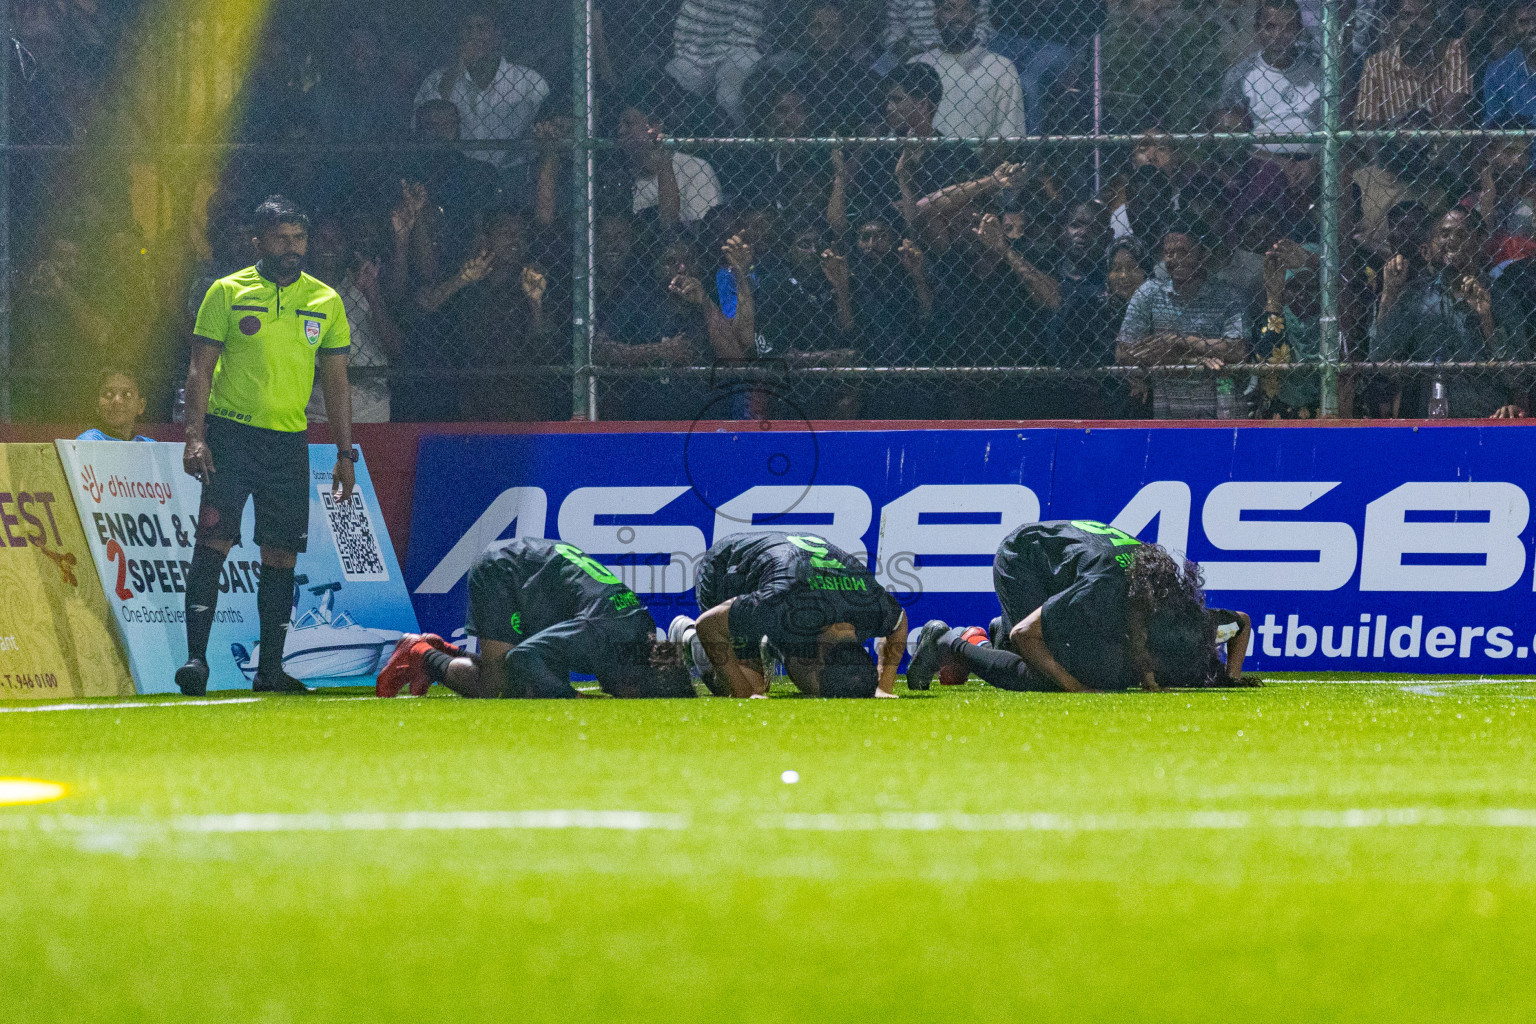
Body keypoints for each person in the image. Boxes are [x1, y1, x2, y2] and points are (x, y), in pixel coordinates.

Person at [175, 196, 355, 696]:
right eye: (280, 238)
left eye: (299, 238)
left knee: (281, 554)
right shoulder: (226, 292)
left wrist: (345, 454)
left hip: (288, 443)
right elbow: (199, 370)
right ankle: (196, 661)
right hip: (230, 437)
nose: (292, 247)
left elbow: (337, 382)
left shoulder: (326, 300)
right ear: (257, 241)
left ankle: (270, 671)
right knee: (214, 542)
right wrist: (195, 436)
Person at [905, 520, 1221, 693]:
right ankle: (946, 642)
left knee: (1103, 664)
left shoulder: (1164, 592)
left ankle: (991, 639)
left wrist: (1148, 677)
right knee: (1043, 676)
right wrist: (1075, 686)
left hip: (1067, 565)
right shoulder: (1104, 588)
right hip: (1024, 558)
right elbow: (1024, 633)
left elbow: (1237, 620)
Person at [377, 537, 693, 699]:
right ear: (635, 676)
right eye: (635, 693)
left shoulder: (640, 631)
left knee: (536, 684)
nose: (622, 696)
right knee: (498, 688)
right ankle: (421, 653)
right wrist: (571, 697)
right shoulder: (600, 634)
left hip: (543, 583)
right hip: (507, 571)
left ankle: (448, 650)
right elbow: (523, 657)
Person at [671, 532, 909, 698]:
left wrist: (883, 686)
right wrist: (743, 693)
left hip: (795, 593)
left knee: (820, 683)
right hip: (727, 570)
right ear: (818, 657)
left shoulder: (871, 608)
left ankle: (772, 643)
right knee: (749, 686)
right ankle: (688, 636)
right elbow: (709, 625)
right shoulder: (782, 600)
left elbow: (899, 622)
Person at [1370, 206, 1528, 416]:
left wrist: (1486, 320)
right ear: (1430, 247)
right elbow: (1381, 359)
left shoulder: (1501, 298)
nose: (1452, 240)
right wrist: (1389, 294)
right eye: (1444, 234)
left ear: (1479, 243)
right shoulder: (1417, 297)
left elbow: (1518, 377)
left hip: (1486, 419)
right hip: (1427, 421)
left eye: (1462, 234)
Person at [1116, 219, 1251, 418]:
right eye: (1169, 253)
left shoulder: (1228, 296)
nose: (1175, 260)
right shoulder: (1149, 293)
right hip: (1168, 414)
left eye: (1184, 252)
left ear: (1204, 254)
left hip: (1222, 410)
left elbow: (1237, 350)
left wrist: (1178, 341)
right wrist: (1192, 360)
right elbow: (1124, 353)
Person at [414, 7, 549, 186]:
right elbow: (423, 124)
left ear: (498, 35)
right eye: (468, 29)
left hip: (514, 177)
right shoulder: (437, 79)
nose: (474, 36)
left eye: (482, 28)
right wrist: (455, 69)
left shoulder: (529, 81)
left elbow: (546, 132)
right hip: (455, 177)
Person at [305, 216, 402, 424]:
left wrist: (371, 293)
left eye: (337, 240)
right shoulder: (296, 291)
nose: (329, 246)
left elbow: (395, 348)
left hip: (370, 404)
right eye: (322, 239)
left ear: (348, 245)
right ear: (309, 245)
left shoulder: (366, 284)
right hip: (314, 405)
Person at [1221, 0, 1322, 172]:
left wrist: (1314, 163)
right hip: (1263, 163)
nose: (1278, 35)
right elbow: (1231, 133)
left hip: (1314, 161)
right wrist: (1279, 163)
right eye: (1270, 27)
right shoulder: (1242, 74)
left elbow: (1338, 122)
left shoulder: (1317, 69)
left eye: (1288, 28)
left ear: (1299, 31)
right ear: (1257, 30)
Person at [911, 0, 1026, 142]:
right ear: (936, 16)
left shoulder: (1001, 68)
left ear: (976, 17)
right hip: (925, 154)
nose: (957, 16)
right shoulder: (917, 66)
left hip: (981, 155)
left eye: (966, 10)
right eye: (949, 9)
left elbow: (1011, 135)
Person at [1352, 0, 1470, 128]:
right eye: (1406, 16)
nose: (1413, 22)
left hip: (1439, 137)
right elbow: (1370, 128)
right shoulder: (1376, 64)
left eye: (1423, 16)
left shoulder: (1451, 51)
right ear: (1396, 22)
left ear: (1435, 21)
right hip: (1394, 139)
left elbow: (1453, 115)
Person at [665, 0, 767, 129]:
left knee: (730, 99)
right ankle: (672, 138)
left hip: (743, 45)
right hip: (693, 46)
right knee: (675, 90)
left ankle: (742, 140)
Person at [77, 368, 155, 442]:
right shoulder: (88, 441)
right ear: (96, 404)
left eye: (127, 394)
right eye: (108, 394)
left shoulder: (150, 445)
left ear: (141, 406)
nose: (117, 401)